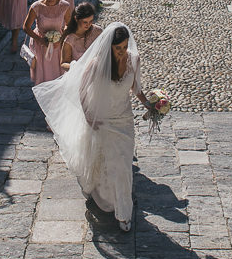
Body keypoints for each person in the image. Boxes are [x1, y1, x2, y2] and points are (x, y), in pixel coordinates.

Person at [33, 23, 150, 231]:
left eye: (124, 47)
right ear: (110, 47)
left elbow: (136, 88)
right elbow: (82, 90)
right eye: (118, 48)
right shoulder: (97, 64)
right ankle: (116, 205)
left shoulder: (134, 60)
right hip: (103, 121)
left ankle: (123, 211)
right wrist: (89, 117)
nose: (123, 52)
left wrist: (151, 105)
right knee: (107, 162)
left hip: (124, 122)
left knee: (123, 166)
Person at [21, 0, 72, 85]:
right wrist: (41, 40)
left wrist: (61, 39)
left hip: (57, 44)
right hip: (40, 44)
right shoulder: (37, 7)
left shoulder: (65, 6)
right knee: (42, 72)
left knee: (57, 71)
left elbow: (69, 25)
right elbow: (26, 27)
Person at [61, 2, 103, 72]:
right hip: (77, 75)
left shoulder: (97, 31)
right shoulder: (70, 39)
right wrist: (76, 67)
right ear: (76, 18)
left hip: (96, 73)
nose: (88, 24)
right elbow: (63, 63)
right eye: (85, 22)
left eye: (91, 21)